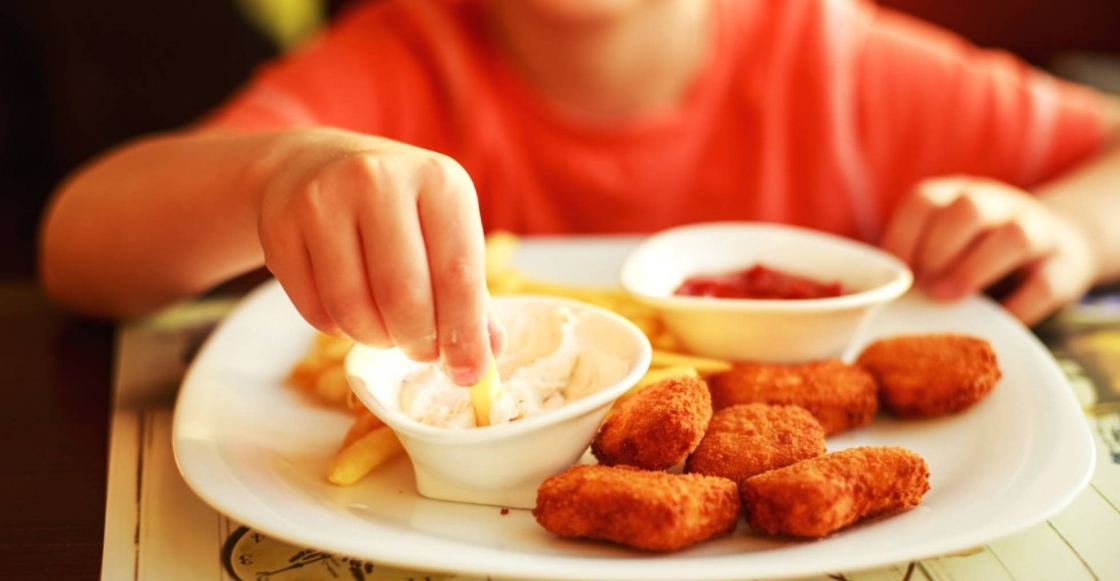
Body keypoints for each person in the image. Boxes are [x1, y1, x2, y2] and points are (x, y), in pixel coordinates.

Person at [39, 0, 1120, 387]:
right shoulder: (394, 60)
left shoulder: (839, 61)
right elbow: (77, 243)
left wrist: (1066, 224)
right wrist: (273, 175)